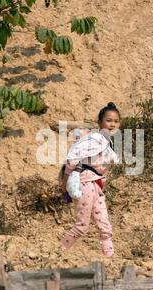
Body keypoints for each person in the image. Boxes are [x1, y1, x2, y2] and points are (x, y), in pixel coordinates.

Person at [59, 102, 121, 257]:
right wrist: (64, 184)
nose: (112, 124)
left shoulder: (106, 142)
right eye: (109, 120)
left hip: (97, 187)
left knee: (105, 227)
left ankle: (110, 259)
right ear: (100, 122)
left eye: (116, 121)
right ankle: (58, 254)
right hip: (85, 184)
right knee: (81, 226)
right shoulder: (94, 139)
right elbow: (72, 159)